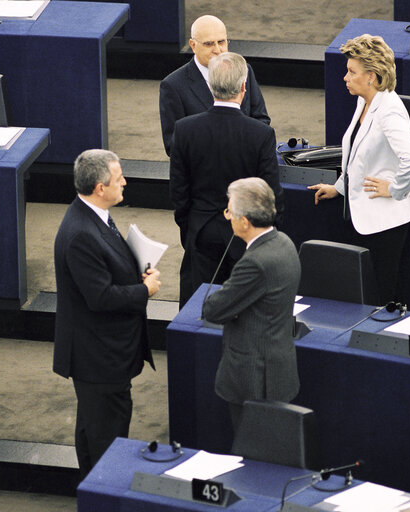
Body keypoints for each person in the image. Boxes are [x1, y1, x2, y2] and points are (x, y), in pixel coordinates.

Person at [53, 149, 161, 479]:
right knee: (106, 439)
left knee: (93, 430)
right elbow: (100, 297)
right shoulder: (82, 233)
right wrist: (146, 290)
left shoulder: (94, 215)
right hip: (99, 357)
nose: (125, 181)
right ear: (100, 187)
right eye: (118, 178)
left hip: (100, 351)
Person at [308, 34, 410, 304]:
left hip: (387, 222)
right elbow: (357, 155)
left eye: (352, 72)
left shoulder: (389, 112)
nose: (345, 78)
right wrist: (339, 187)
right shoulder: (366, 100)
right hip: (367, 216)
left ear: (371, 76)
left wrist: (395, 188)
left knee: (381, 295)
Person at [169, 51, 284, 308]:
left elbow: (178, 191)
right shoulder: (261, 135)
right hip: (246, 234)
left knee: (199, 312)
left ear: (210, 86)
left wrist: (191, 229)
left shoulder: (185, 130)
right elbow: (271, 193)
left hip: (201, 232)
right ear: (244, 87)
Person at [202, 178, 301, 450]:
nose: (227, 216)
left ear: (244, 221)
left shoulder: (255, 262)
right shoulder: (283, 242)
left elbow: (213, 309)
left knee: (255, 454)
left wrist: (234, 310)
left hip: (255, 379)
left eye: (229, 212)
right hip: (277, 369)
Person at [159, 14, 270, 156]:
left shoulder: (244, 70)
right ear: (193, 45)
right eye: (209, 44)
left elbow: (261, 120)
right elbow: (173, 145)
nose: (218, 50)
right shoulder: (173, 86)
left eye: (222, 42)